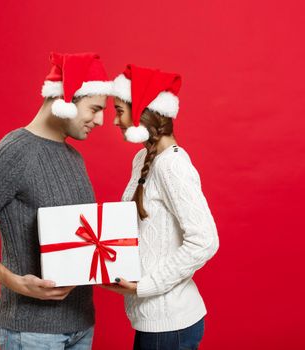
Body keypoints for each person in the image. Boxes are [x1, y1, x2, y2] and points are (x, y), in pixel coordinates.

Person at [0, 52, 113, 349]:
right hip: (33, 332)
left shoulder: (73, 157)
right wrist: (12, 281)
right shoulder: (13, 153)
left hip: (81, 325)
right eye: (95, 108)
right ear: (66, 99)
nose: (100, 120)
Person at [101, 64, 219, 350]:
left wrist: (147, 285)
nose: (114, 120)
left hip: (171, 324)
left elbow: (205, 241)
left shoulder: (173, 164)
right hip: (151, 321)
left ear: (143, 111)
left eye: (119, 110)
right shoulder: (142, 160)